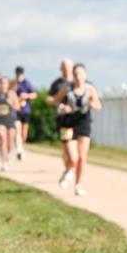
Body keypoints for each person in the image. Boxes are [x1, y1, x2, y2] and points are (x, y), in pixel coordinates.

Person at [53, 63, 101, 196]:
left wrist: (92, 104)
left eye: (80, 73)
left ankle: (78, 185)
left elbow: (98, 104)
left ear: (85, 75)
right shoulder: (67, 88)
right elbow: (55, 101)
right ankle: (67, 171)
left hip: (83, 123)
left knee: (82, 157)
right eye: (76, 74)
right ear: (73, 76)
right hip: (67, 123)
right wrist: (62, 107)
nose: (78, 76)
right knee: (73, 157)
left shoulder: (90, 89)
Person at [46, 59, 76, 187]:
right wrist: (57, 103)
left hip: (78, 121)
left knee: (75, 150)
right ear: (60, 69)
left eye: (68, 67)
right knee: (66, 148)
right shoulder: (56, 84)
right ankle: (68, 170)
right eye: (63, 67)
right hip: (63, 121)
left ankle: (70, 170)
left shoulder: (77, 82)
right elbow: (49, 99)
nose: (66, 69)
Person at [0, 77, 20, 171]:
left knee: (10, 142)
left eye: (5, 83)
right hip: (0, 119)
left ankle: (9, 154)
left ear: (8, 84)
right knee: (3, 138)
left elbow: (17, 107)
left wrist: (11, 104)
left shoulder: (11, 93)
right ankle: (4, 162)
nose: (3, 85)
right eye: (2, 83)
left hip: (10, 119)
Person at [14, 66, 37, 161]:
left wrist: (26, 96)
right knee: (17, 130)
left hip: (26, 111)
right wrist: (17, 100)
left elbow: (34, 94)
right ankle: (19, 149)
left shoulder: (27, 83)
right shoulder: (14, 84)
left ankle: (21, 147)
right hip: (16, 111)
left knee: (24, 133)